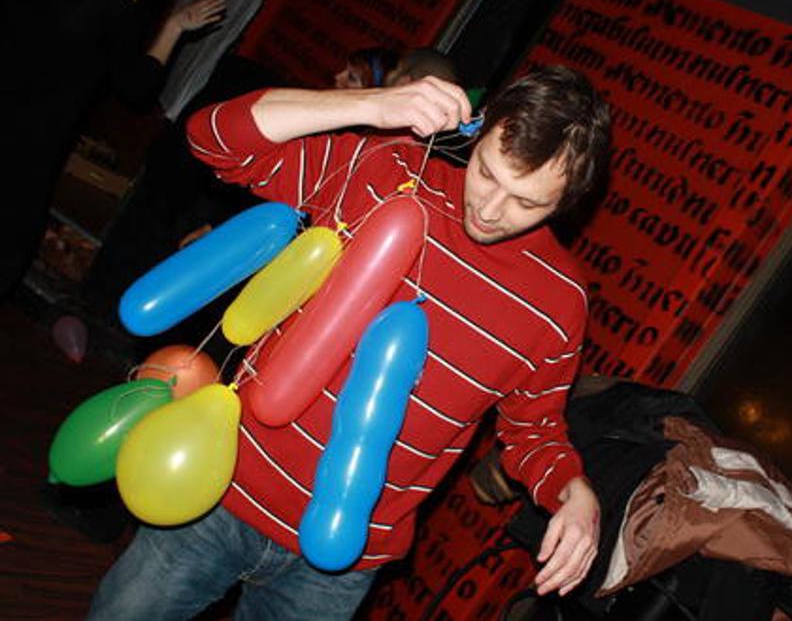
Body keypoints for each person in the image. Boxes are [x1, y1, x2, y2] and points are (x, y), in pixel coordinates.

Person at [87, 64, 612, 620]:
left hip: (340, 563)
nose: (489, 208)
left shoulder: (560, 303)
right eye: (486, 173)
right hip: (217, 488)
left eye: (526, 202)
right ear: (479, 131)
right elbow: (213, 137)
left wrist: (571, 489)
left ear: (567, 202)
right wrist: (370, 105)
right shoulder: (386, 170)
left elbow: (533, 429)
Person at [0, 0, 226, 298]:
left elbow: (134, 84)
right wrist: (174, 27)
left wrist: (173, 25)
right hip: (30, 144)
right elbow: (137, 85)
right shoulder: (114, 7)